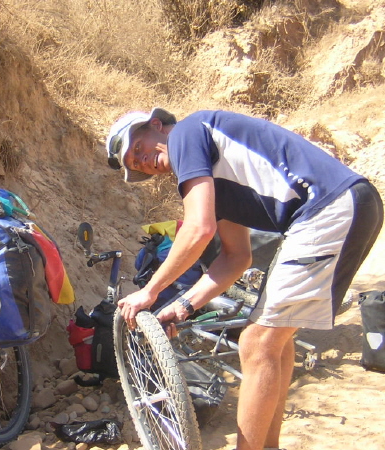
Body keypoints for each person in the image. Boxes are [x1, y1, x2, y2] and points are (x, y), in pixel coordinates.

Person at [105, 108, 383, 450]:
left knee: (257, 342)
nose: (143, 162)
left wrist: (149, 291)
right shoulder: (210, 180)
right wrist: (181, 306)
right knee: (272, 339)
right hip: (344, 205)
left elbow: (198, 229)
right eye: (137, 165)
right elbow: (236, 258)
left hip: (327, 207)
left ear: (156, 125)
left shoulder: (187, 133)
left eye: (137, 150)